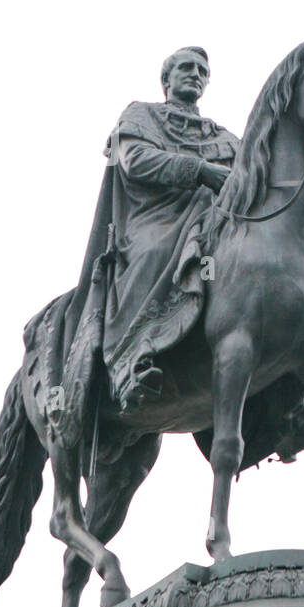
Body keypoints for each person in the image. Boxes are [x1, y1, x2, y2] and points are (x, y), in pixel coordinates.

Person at [98, 46, 238, 407]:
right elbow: (136, 161)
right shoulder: (141, 115)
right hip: (156, 220)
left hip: (215, 223)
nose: (196, 74)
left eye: (203, 71)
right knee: (153, 253)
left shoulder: (225, 138)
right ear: (166, 80)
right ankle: (131, 361)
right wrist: (201, 171)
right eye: (187, 67)